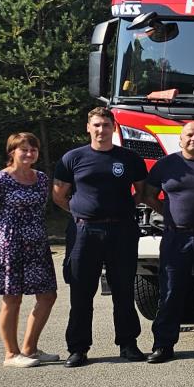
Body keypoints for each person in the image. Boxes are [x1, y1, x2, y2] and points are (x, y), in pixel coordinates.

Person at [52, 106, 148, 367]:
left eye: (106, 125)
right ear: (88, 127)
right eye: (96, 125)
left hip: (121, 230)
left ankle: (128, 344)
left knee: (124, 289)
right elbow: (59, 195)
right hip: (85, 231)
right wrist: (81, 211)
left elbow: (140, 192)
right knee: (81, 291)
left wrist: (121, 209)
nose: (101, 130)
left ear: (113, 128)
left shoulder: (130, 158)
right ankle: (78, 348)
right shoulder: (72, 158)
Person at [143, 120, 194, 364]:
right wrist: (167, 213)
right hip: (175, 236)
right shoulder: (166, 165)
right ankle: (163, 345)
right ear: (180, 138)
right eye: (189, 135)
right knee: (170, 291)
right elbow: (147, 194)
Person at [0, 131, 58, 368]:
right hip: (9, 245)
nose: (29, 153)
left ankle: (30, 348)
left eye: (33, 150)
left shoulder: (41, 178)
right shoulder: (0, 179)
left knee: (48, 296)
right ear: (12, 152)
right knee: (13, 299)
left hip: (37, 245)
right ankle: (11, 354)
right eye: (24, 149)